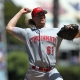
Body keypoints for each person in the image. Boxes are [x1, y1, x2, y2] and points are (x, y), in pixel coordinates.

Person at [6, 7, 80, 80]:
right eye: (39, 15)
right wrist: (20, 12)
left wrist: (76, 30)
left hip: (51, 71)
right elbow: (9, 28)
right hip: (34, 72)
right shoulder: (27, 32)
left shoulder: (57, 32)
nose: (42, 16)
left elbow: (78, 35)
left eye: (43, 14)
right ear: (33, 19)